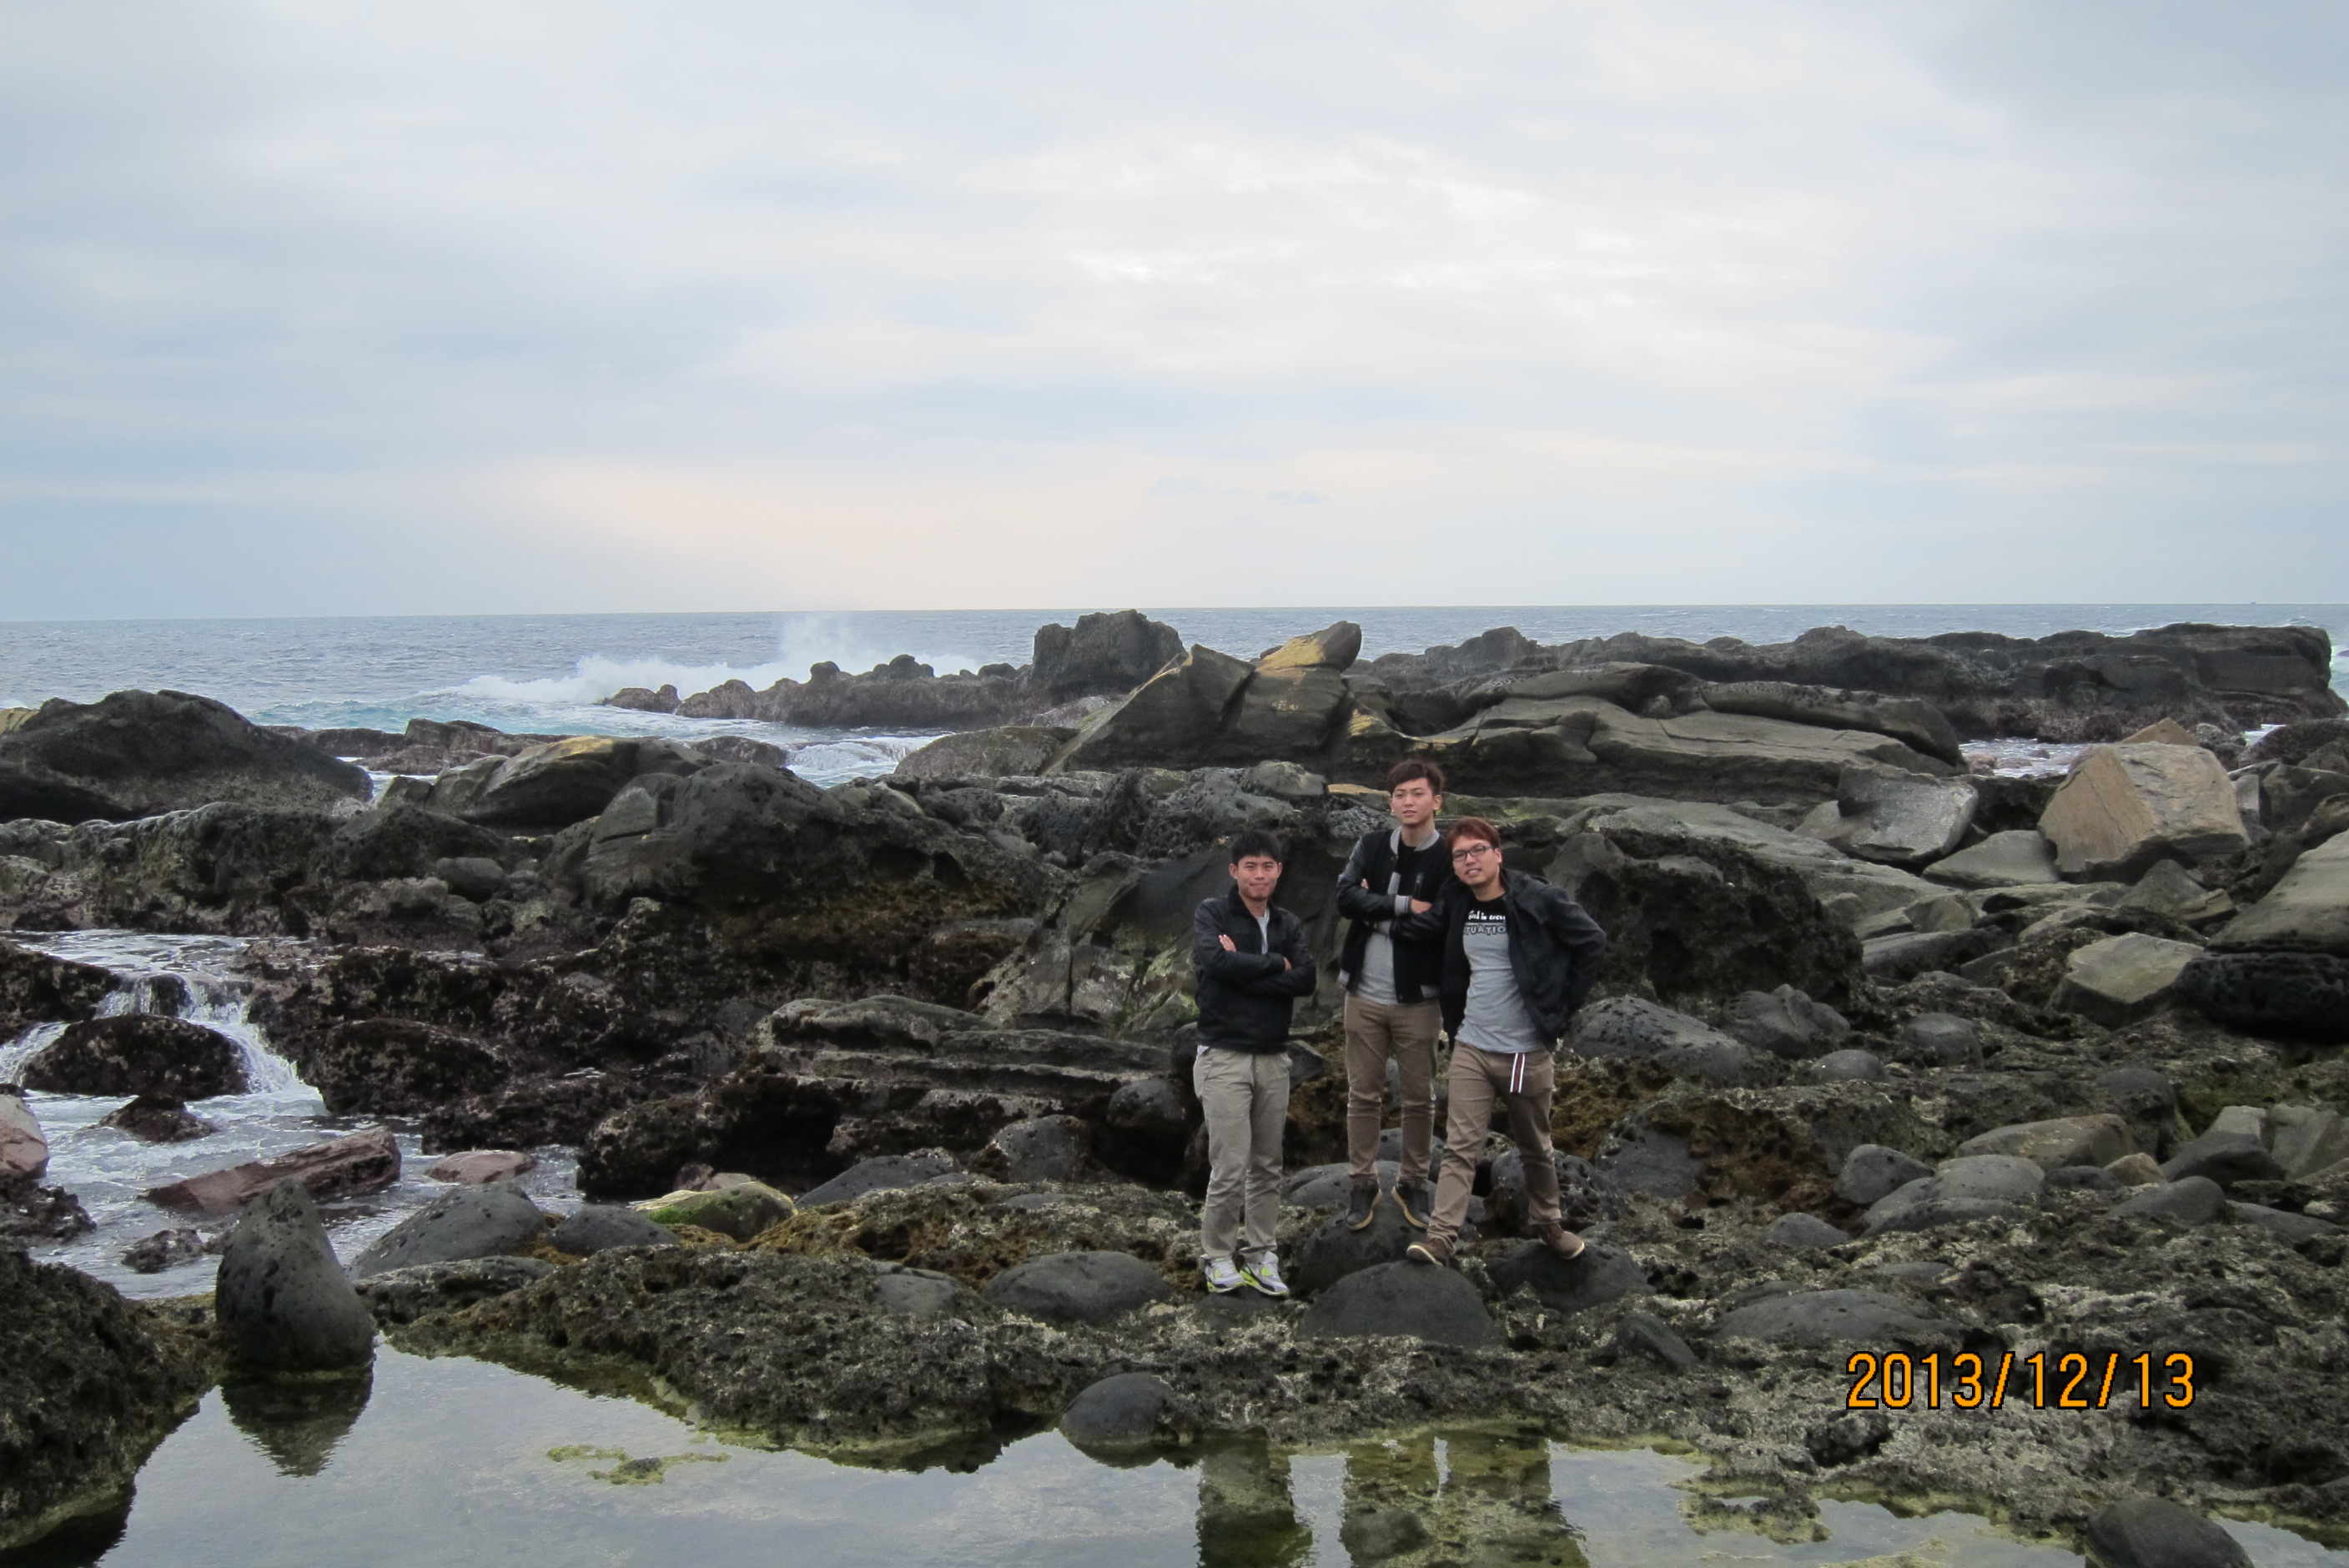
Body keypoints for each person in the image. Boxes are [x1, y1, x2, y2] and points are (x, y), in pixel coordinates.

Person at [1403, 815, 1607, 1269]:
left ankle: (1549, 1225)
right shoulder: (1458, 901)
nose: (1469, 861)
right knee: (1460, 1147)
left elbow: (1592, 941)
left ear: (1498, 854)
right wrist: (1372, 905)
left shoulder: (1538, 898)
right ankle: (1441, 1238)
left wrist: (1560, 1008)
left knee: (1535, 1145)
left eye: (1478, 851)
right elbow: (1422, 927)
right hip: (1472, 1045)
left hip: (1524, 1053)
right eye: (1460, 855)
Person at [1190, 828, 1318, 1295]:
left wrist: (1244, 967)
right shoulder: (1212, 912)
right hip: (1224, 1054)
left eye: (1267, 866)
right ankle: (1218, 1256)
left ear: (1279, 871)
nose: (1259, 875)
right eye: (1250, 867)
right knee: (1229, 1165)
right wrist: (1275, 965)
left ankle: (1262, 1254)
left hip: (1273, 1056)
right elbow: (1215, 965)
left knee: (1267, 1165)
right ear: (1234, 871)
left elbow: (1306, 979)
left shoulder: (1288, 924)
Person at [1331, 759, 1452, 1232]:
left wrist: (1373, 914)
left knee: (1419, 1099)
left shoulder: (1448, 857)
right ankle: (1362, 1182)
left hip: (1418, 1000)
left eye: (1417, 793)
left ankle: (1413, 1182)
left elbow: (1438, 923)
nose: (1408, 802)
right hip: (1362, 994)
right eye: (1400, 794)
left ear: (1436, 801)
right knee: (1362, 1095)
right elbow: (1344, 897)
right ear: (1390, 803)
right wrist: (1402, 906)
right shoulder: (1371, 845)